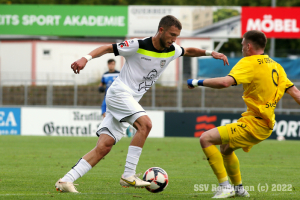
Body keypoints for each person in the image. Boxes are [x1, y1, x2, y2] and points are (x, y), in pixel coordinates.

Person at [55, 15, 229, 193]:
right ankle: (128, 175)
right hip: (119, 94)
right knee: (146, 124)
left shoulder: (172, 49)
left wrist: (210, 53)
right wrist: (85, 58)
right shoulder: (138, 45)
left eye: (176, 36)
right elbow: (107, 48)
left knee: (104, 146)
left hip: (128, 101)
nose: (174, 39)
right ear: (161, 30)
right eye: (171, 34)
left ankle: (65, 181)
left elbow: (188, 51)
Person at [187, 30, 300, 198]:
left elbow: (225, 82)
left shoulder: (248, 62)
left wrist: (197, 82)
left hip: (254, 124)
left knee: (205, 138)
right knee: (225, 149)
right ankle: (239, 190)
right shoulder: (277, 66)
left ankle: (225, 187)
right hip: (264, 124)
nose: (241, 49)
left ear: (248, 46)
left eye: (242, 45)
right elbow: (296, 94)